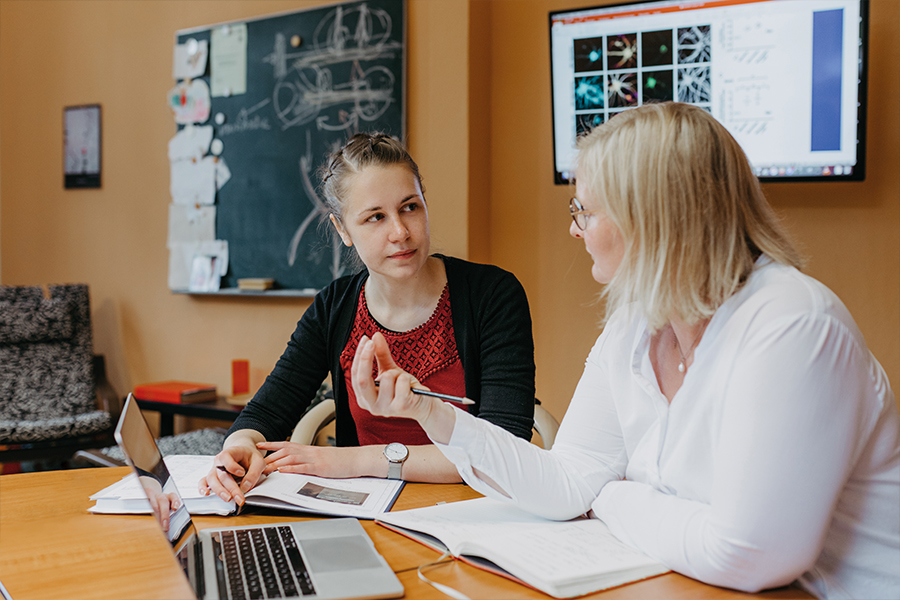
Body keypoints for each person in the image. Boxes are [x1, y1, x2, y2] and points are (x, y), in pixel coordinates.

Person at [350, 103, 900, 600]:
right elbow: (568, 483)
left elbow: (749, 554)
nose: (575, 229)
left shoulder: (791, 325)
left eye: (584, 210)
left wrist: (610, 499)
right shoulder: (636, 323)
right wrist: (429, 412)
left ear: (649, 218)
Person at [200, 132, 535, 505]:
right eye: (375, 217)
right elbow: (265, 412)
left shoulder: (492, 295)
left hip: (475, 511)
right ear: (343, 229)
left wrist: (355, 458)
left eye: (410, 207)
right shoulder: (334, 307)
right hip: (366, 517)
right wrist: (239, 447)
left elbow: (505, 449)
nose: (400, 232)